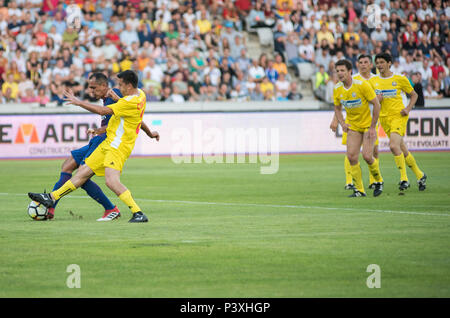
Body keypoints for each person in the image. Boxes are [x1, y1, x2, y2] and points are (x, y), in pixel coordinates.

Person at [28, 71, 157, 223]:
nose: (118, 87)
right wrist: (150, 133)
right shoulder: (140, 95)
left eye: (121, 85)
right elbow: (135, 117)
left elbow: (104, 111)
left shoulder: (128, 102)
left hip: (118, 146)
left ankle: (138, 213)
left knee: (111, 181)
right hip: (109, 142)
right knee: (82, 173)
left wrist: (79, 102)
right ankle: (51, 198)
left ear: (129, 86)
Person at [369, 53, 427, 191]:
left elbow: (414, 95)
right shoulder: (373, 81)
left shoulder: (399, 78)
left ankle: (404, 178)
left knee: (393, 146)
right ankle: (420, 175)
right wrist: (377, 100)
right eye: (377, 63)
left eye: (382, 62)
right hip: (384, 118)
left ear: (389, 63)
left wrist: (407, 109)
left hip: (398, 116)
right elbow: (370, 99)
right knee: (402, 149)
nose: (379, 65)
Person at [330, 54, 383, 191]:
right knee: (352, 156)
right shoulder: (337, 88)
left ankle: (378, 179)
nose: (340, 73)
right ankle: (360, 190)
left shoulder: (362, 85)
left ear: (350, 72)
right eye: (337, 71)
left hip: (367, 126)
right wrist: (342, 123)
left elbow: (377, 104)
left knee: (367, 156)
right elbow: (337, 107)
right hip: (353, 126)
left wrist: (373, 126)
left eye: (342, 71)